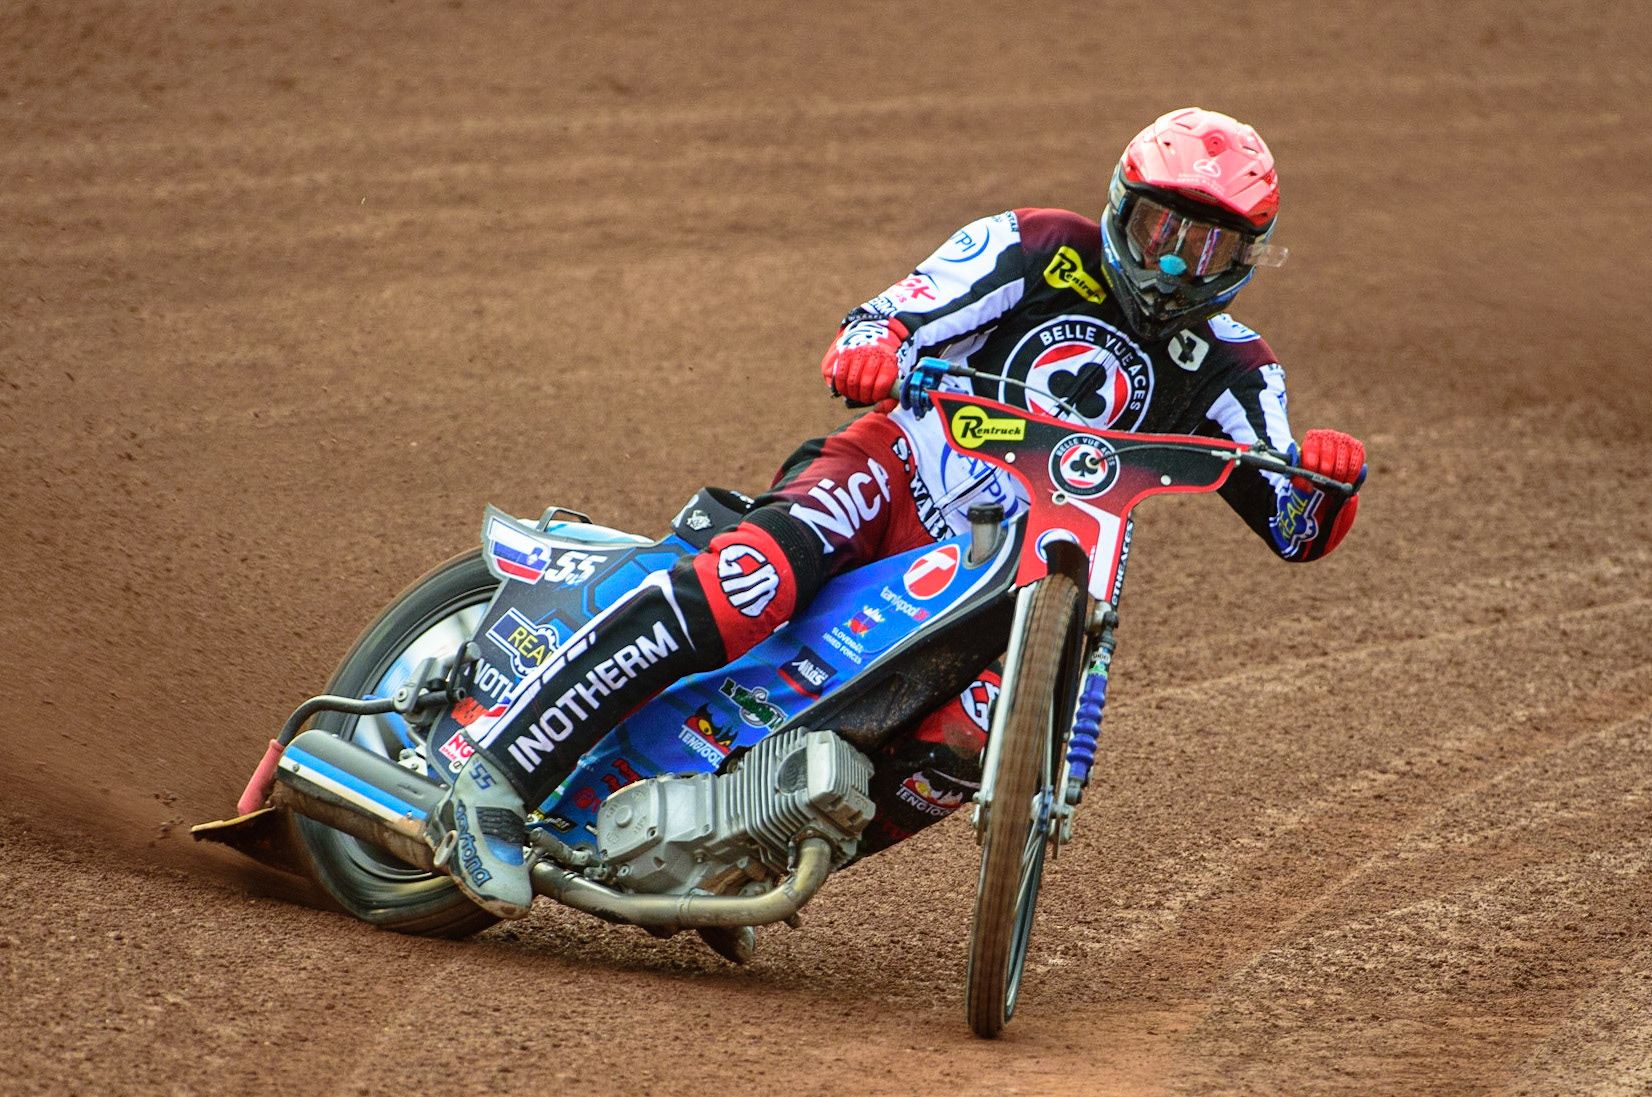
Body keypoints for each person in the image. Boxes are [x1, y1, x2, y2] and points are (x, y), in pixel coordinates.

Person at [431, 107, 1368, 919]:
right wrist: (872, 347)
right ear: (1123, 208)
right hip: (890, 475)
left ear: (1247, 256)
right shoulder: (1035, 244)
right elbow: (890, 315)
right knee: (750, 583)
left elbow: (1294, 522)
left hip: (1014, 576)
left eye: (1208, 246)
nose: (1174, 262)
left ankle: (743, 852)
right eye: (1163, 227)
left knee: (972, 739)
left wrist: (1328, 480)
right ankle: (496, 780)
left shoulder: (1239, 369)